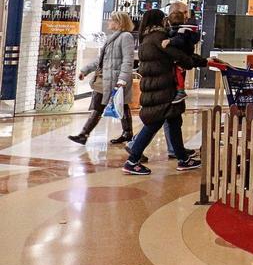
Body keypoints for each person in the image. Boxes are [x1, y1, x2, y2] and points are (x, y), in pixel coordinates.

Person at [122, 9, 208, 175]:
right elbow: (180, 56)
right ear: (160, 21)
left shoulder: (146, 38)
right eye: (164, 19)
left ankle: (183, 159)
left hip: (155, 86)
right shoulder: (160, 38)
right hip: (164, 87)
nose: (166, 21)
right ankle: (132, 160)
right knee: (154, 123)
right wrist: (201, 62)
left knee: (174, 122)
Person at [67, 11, 136, 146]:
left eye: (112, 20)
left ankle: (85, 134)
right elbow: (101, 60)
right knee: (105, 105)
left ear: (119, 23)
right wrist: (85, 70)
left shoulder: (125, 37)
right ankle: (85, 134)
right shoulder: (111, 38)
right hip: (105, 79)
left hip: (115, 80)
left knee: (117, 105)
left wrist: (122, 79)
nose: (109, 22)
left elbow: (128, 60)